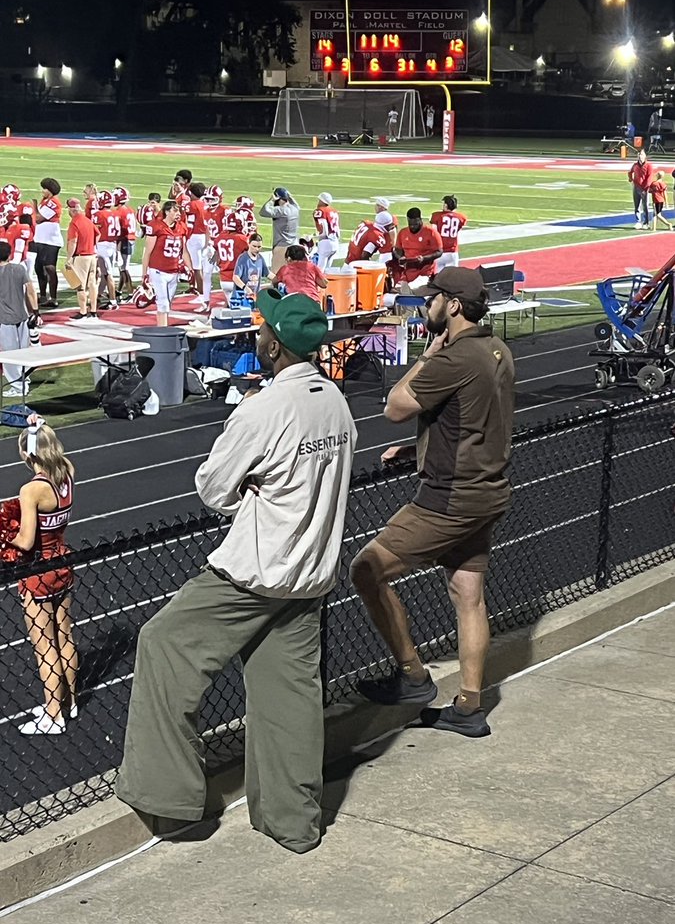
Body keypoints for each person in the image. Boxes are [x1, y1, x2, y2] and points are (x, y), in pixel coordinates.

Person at [115, 290, 358, 851]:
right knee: (289, 694)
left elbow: (213, 487)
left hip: (252, 574)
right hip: (311, 572)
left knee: (163, 645)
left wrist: (254, 487)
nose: (258, 334)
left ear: (273, 344)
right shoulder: (335, 402)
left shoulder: (265, 408)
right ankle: (293, 821)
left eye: (262, 329)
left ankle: (171, 803)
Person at [350, 267, 515, 738]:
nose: (426, 306)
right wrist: (421, 448)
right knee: (468, 595)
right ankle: (468, 703)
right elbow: (478, 419)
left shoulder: (454, 356)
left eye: (432, 299)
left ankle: (412, 676)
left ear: (453, 306)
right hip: (488, 490)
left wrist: (428, 354)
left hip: (449, 498)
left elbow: (396, 407)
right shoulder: (499, 349)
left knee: (366, 570)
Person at [8, 413, 78, 736]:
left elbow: (25, 540)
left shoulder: (31, 490)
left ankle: (53, 715)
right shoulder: (68, 474)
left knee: (44, 645)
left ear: (29, 453)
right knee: (65, 636)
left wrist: (3, 538)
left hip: (38, 569)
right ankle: (68, 701)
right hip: (62, 562)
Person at [142, 199, 192, 326]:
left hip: (174, 271)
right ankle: (162, 330)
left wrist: (190, 269)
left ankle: (164, 327)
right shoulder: (156, 226)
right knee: (163, 303)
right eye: (175, 210)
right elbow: (147, 252)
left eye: (179, 210)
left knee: (168, 303)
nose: (178, 213)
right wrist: (144, 274)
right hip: (158, 270)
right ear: (167, 212)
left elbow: (184, 250)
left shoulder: (181, 227)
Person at [0, 239, 39, 396]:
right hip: (22, 316)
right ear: (9, 255)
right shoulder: (19, 269)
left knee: (9, 354)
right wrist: (35, 311)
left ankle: (18, 388)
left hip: (4, 319)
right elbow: (31, 290)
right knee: (23, 352)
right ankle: (24, 381)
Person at [391, 208, 443, 290]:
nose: (412, 227)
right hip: (408, 272)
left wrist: (424, 258)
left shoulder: (431, 232)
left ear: (420, 219)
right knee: (399, 294)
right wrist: (399, 258)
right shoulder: (403, 233)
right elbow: (398, 250)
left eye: (415, 224)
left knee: (415, 291)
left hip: (425, 272)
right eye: (410, 224)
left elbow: (439, 252)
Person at [65, 198, 99, 320]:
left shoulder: (74, 222)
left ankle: (83, 311)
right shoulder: (88, 221)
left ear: (72, 209)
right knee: (92, 284)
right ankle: (94, 310)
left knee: (80, 286)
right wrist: (92, 245)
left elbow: (73, 241)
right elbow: (98, 233)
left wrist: (69, 258)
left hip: (81, 257)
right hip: (92, 255)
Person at [32, 177, 63, 308]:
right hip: (40, 239)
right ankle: (43, 295)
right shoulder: (46, 201)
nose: (42, 191)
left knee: (50, 268)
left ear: (50, 190)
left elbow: (38, 218)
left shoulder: (53, 202)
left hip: (50, 240)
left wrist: (33, 206)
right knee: (39, 268)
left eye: (44, 188)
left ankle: (53, 297)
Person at [259, 187, 300, 273]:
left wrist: (271, 200)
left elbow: (263, 212)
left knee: (277, 274)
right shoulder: (295, 208)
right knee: (291, 273)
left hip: (282, 246)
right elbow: (295, 203)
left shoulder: (280, 210)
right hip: (293, 244)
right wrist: (288, 196)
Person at [184, 182, 208, 303]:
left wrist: (185, 237)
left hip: (194, 236)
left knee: (196, 267)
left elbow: (190, 224)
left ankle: (202, 293)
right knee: (201, 266)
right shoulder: (204, 204)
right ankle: (202, 290)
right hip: (204, 236)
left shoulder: (192, 205)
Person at [430, 195, 468, 269]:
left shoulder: (436, 216)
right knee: (452, 277)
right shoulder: (461, 217)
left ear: (446, 205)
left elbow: (433, 233)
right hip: (452, 252)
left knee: (438, 278)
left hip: (439, 252)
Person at [114, 186, 137, 298]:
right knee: (122, 267)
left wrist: (117, 242)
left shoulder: (119, 212)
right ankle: (119, 289)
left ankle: (130, 292)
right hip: (130, 239)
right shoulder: (129, 210)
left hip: (125, 240)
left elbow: (121, 229)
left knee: (124, 268)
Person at [232, 232, 269, 300]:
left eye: (259, 247)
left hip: (254, 297)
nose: (257, 249)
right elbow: (235, 277)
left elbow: (267, 273)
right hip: (241, 297)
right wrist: (245, 288)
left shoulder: (260, 258)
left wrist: (280, 278)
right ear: (249, 244)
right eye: (254, 246)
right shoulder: (243, 258)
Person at [313, 192, 341, 270]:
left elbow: (325, 232)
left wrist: (313, 237)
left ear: (322, 201)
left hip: (326, 242)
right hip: (335, 242)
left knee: (320, 270)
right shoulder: (334, 211)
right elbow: (338, 230)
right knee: (327, 270)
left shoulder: (320, 211)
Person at [628, 149, 654, 229]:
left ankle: (646, 222)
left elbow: (649, 177)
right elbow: (630, 172)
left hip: (644, 188)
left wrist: (646, 187)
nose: (640, 156)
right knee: (637, 205)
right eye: (639, 154)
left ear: (645, 156)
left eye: (642, 154)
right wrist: (631, 179)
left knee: (645, 206)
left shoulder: (648, 166)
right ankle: (638, 221)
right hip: (636, 187)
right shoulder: (635, 165)